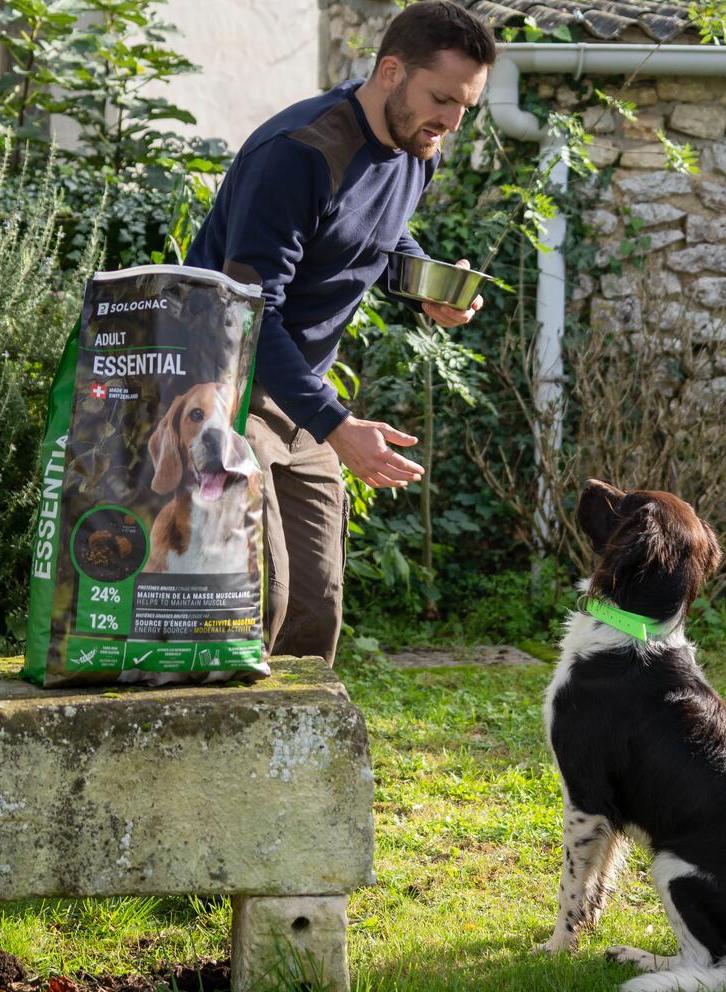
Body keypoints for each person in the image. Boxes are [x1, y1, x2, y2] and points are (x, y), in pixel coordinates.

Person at [187, 1, 496, 665]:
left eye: (465, 106)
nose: (451, 121)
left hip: (299, 389)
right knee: (253, 597)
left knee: (317, 602)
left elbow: (375, 235)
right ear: (391, 72)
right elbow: (249, 311)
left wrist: (424, 286)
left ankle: (298, 760)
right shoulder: (298, 154)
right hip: (221, 385)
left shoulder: (417, 149)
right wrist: (337, 424)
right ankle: (228, 746)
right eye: (442, 98)